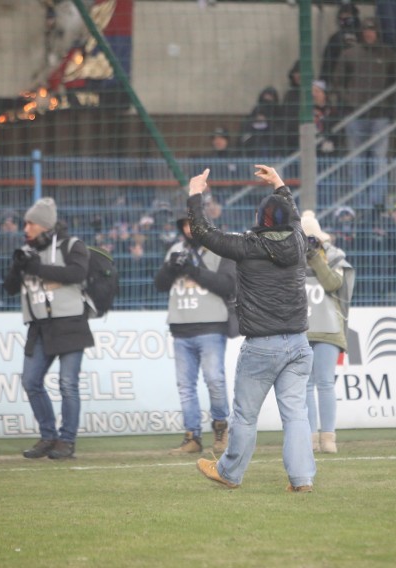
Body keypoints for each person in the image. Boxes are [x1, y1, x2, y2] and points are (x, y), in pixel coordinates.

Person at [191, 165, 315, 493]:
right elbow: (295, 218)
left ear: (260, 220)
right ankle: (302, 480)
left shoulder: (247, 246)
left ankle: (229, 473)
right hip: (300, 344)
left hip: (262, 346)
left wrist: (194, 194)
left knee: (245, 416)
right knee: (296, 415)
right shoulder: (300, 242)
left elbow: (202, 232)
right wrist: (281, 185)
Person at [3, 197, 95, 460]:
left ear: (43, 225)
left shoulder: (71, 245)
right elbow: (9, 288)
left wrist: (38, 268)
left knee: (68, 384)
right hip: (39, 326)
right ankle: (48, 436)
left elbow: (78, 274)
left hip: (70, 323)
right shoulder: (27, 251)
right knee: (30, 381)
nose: (25, 228)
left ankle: (67, 441)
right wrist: (18, 267)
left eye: (30, 223)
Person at [154, 213, 237, 455]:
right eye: (185, 225)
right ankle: (192, 436)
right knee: (185, 386)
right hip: (180, 326)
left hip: (212, 325)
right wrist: (171, 267)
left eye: (193, 224)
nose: (189, 229)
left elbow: (228, 285)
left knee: (215, 380)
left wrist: (192, 269)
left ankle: (221, 426)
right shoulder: (175, 249)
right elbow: (159, 285)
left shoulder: (221, 248)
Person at [333, 17, 396, 208]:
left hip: (380, 115)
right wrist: (350, 101)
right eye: (366, 30)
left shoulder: (388, 54)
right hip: (355, 115)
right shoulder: (349, 54)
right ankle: (360, 204)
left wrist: (386, 103)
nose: (369, 33)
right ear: (362, 33)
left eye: (372, 30)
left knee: (379, 160)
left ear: (378, 32)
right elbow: (338, 83)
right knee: (356, 161)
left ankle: (377, 203)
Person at [301, 210, 353, 454]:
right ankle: (310, 438)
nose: (310, 243)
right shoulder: (290, 259)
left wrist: (315, 258)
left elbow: (334, 284)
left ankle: (329, 438)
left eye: (313, 239)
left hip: (329, 328)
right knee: (306, 385)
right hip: (301, 329)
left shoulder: (334, 255)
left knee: (324, 383)